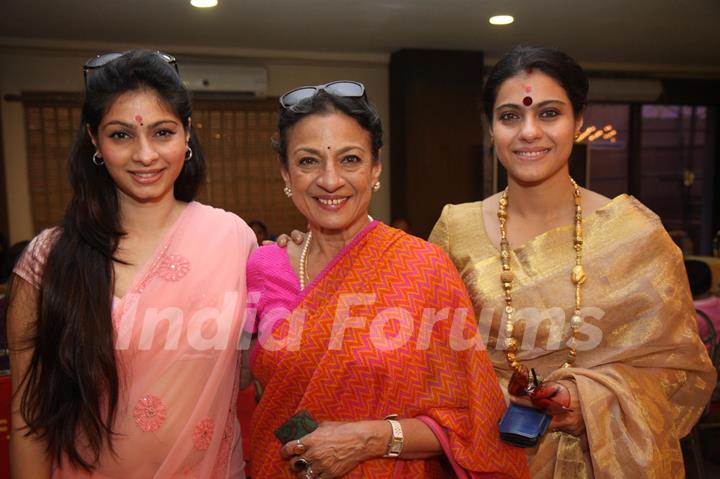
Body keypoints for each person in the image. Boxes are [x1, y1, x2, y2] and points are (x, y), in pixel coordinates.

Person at [429, 46, 716, 478]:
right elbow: (423, 353)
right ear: (490, 127)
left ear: (578, 121)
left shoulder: (634, 233)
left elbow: (682, 370)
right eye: (509, 116)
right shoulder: (457, 227)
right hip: (482, 455)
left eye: (549, 114)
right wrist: (310, 248)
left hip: (599, 463)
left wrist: (591, 400)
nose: (529, 132)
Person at [246, 82, 528, 478]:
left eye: (350, 160)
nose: (330, 180)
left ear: (375, 168)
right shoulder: (263, 265)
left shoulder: (423, 267)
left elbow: (473, 418)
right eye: (308, 161)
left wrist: (372, 438)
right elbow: (233, 387)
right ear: (286, 172)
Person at [7, 50, 255, 478]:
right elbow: (30, 419)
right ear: (94, 140)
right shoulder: (49, 258)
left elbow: (255, 368)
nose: (145, 155)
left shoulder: (233, 240)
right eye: (121, 135)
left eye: (163, 132)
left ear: (187, 134)